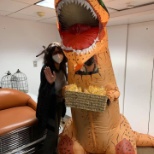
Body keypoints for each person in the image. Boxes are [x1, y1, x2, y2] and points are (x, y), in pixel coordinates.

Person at [36, 42, 67, 154]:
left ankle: (54, 151)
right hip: (49, 106)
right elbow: (43, 92)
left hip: (59, 104)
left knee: (57, 129)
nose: (58, 55)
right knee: (52, 134)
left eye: (60, 52)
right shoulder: (47, 69)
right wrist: (50, 84)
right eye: (55, 53)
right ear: (50, 55)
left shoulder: (63, 68)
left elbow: (64, 85)